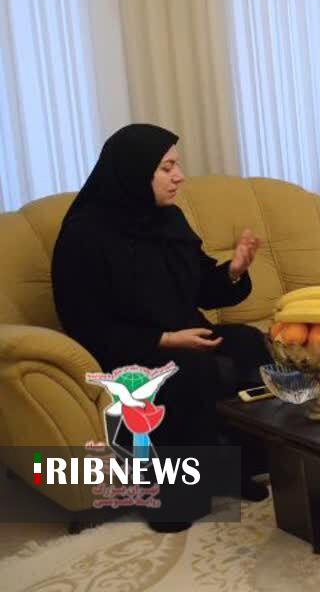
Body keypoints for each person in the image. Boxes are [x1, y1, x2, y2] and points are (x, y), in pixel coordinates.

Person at [52, 124, 272, 532]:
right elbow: (86, 323)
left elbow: (202, 286)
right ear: (135, 172)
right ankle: (180, 494)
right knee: (189, 370)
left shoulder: (168, 219)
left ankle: (242, 468)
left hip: (186, 335)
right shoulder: (84, 235)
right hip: (127, 348)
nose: (179, 177)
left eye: (177, 166)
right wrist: (164, 339)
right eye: (167, 168)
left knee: (249, 345)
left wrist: (235, 270)